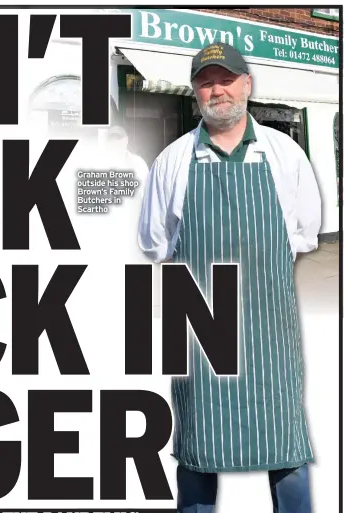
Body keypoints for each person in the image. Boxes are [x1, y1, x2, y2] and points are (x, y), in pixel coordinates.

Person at [137, 42, 321, 513]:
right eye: (206, 81)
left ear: (247, 84)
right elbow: (155, 243)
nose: (217, 89)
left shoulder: (286, 156)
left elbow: (302, 233)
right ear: (196, 91)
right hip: (200, 336)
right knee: (199, 454)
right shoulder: (173, 162)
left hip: (269, 332)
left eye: (226, 79)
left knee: (286, 453)